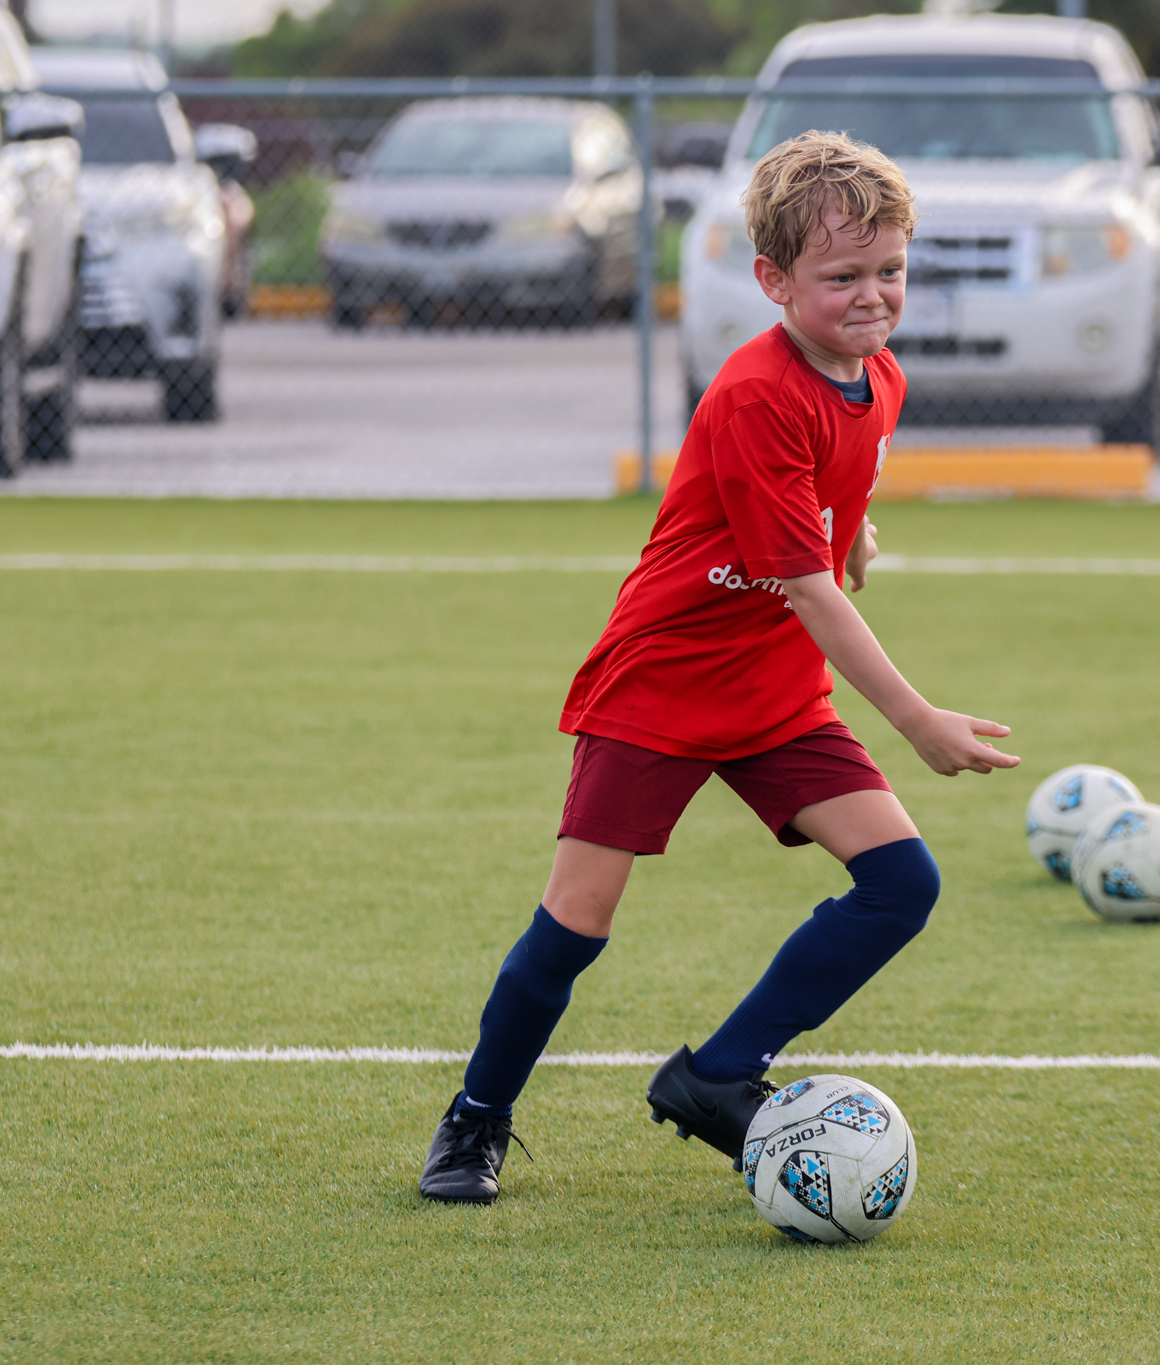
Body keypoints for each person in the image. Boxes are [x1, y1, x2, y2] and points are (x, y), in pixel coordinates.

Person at [419, 130, 1020, 1204]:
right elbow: (805, 588)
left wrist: (854, 533)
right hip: (661, 685)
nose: (873, 296)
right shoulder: (750, 394)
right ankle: (475, 1119)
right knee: (575, 924)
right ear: (773, 282)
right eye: (842, 278)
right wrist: (915, 717)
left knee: (898, 883)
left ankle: (718, 1076)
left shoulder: (880, 378)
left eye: (889, 270)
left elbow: (835, 506)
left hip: (773, 691)